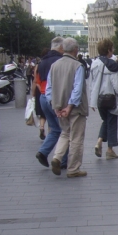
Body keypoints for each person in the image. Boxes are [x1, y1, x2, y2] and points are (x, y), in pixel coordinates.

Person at [48, 37, 89, 178]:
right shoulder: (77, 66)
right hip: (75, 108)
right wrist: (70, 105)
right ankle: (73, 168)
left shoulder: (54, 65)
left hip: (59, 105)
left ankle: (57, 157)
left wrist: (55, 105)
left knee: (65, 133)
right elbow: (77, 89)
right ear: (75, 49)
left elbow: (49, 88)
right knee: (76, 137)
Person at [35, 38, 68, 171]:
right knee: (66, 130)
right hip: (55, 98)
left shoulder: (42, 61)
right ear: (60, 48)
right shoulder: (59, 61)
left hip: (43, 97)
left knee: (55, 129)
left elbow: (37, 80)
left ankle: (43, 152)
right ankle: (63, 160)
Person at [90, 38, 118, 160]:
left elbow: (92, 83)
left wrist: (92, 101)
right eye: (112, 49)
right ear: (109, 50)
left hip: (99, 99)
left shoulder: (94, 63)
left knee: (106, 121)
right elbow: (117, 84)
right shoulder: (112, 65)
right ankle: (110, 149)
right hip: (110, 97)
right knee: (112, 122)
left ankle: (99, 141)